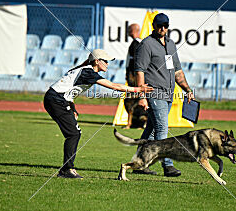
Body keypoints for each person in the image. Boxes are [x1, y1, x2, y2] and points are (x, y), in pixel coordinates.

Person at [44, 49, 154, 178]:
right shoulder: (88, 72)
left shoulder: (85, 70)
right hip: (56, 100)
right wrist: (138, 89)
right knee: (74, 134)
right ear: (97, 61)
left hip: (56, 99)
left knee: (74, 133)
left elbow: (69, 90)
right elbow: (114, 86)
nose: (107, 64)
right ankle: (66, 170)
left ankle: (67, 169)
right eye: (105, 61)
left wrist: (72, 107)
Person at [134, 13, 195, 177]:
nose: (163, 28)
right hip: (153, 93)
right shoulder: (146, 45)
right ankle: (168, 165)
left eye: (166, 25)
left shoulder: (171, 44)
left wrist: (188, 90)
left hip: (168, 94)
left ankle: (139, 162)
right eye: (160, 25)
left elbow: (177, 71)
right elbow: (139, 71)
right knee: (162, 129)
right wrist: (142, 96)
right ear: (154, 25)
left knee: (152, 130)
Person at [124, 23, 147, 129]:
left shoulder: (137, 43)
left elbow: (138, 62)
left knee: (133, 100)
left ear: (133, 31)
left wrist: (133, 77)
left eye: (129, 30)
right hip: (134, 76)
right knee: (132, 100)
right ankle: (135, 122)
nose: (128, 32)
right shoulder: (137, 43)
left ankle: (140, 122)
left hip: (135, 77)